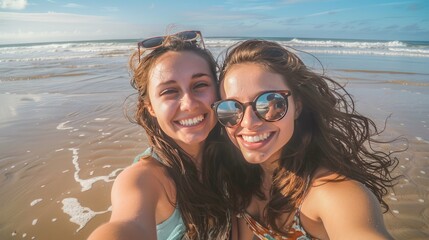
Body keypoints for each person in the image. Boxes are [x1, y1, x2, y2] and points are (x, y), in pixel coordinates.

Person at [212, 40, 400, 240]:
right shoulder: (241, 181)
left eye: (269, 102)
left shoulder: (332, 194)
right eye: (231, 108)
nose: (248, 122)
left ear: (297, 107)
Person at [88, 30, 235, 240]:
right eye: (169, 91)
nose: (190, 104)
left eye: (200, 85)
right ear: (150, 107)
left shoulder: (237, 152)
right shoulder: (142, 180)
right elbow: (127, 226)